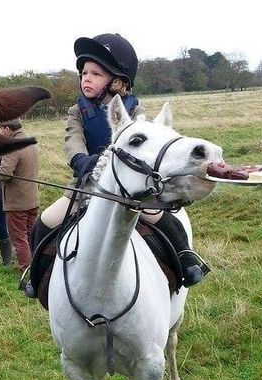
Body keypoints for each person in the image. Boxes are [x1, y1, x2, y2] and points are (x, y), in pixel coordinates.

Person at [31, 32, 205, 293]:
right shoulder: (77, 111)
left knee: (163, 219)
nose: (86, 78)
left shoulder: (135, 111)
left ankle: (185, 257)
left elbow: (143, 140)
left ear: (118, 82)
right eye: (83, 73)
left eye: (95, 74)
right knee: (44, 222)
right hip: (86, 185)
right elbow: (72, 140)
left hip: (127, 187)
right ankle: (34, 274)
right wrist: (81, 160)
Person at [0, 118, 39, 280]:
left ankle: (26, 270)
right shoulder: (30, 142)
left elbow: (4, 173)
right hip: (32, 199)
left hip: (17, 202)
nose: (1, 131)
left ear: (8, 128)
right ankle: (36, 266)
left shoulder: (12, 147)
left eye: (2, 128)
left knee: (19, 238)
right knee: (30, 235)